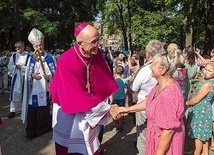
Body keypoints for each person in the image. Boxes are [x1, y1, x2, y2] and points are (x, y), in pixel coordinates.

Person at [49, 22, 118, 155]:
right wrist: (108, 108)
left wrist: (107, 98)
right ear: (80, 43)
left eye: (98, 40)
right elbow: (74, 97)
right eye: (93, 42)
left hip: (91, 107)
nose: (98, 45)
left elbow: (103, 80)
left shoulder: (96, 54)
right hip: (69, 112)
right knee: (70, 146)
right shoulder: (66, 61)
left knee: (90, 146)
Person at [116, 51, 185, 155]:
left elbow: (168, 130)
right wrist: (127, 109)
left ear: (162, 70)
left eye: (153, 64)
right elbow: (150, 102)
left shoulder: (170, 93)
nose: (150, 67)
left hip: (165, 144)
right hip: (156, 137)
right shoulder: (159, 85)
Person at [127, 40, 164, 155]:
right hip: (160, 107)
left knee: (143, 137)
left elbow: (133, 88)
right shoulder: (166, 65)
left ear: (148, 54)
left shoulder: (146, 69)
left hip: (144, 108)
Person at [21, 28, 56, 139]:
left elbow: (56, 73)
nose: (39, 48)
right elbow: (26, 72)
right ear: (33, 47)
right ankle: (31, 132)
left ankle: (43, 129)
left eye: (40, 45)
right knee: (33, 110)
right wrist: (32, 75)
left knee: (43, 110)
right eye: (36, 46)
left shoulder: (50, 58)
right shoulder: (30, 59)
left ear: (43, 44)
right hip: (34, 90)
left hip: (45, 89)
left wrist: (49, 77)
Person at [186, 60, 214, 155]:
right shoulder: (207, 81)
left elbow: (196, 100)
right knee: (204, 136)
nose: (206, 71)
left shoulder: (207, 84)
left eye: (209, 71)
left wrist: (186, 103)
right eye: (205, 69)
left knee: (198, 136)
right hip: (205, 109)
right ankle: (205, 153)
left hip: (201, 111)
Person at [7, 41, 31, 118]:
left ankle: (24, 109)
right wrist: (13, 69)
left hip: (25, 77)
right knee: (14, 93)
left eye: (19, 47)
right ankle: (13, 110)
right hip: (16, 77)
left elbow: (30, 67)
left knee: (25, 93)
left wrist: (21, 68)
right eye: (16, 47)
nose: (17, 48)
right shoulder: (13, 56)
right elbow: (10, 65)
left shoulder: (28, 56)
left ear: (23, 47)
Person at [111, 65, 126, 132]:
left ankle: (114, 126)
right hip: (122, 98)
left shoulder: (113, 81)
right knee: (121, 112)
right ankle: (120, 125)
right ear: (123, 72)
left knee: (114, 112)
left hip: (114, 98)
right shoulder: (124, 80)